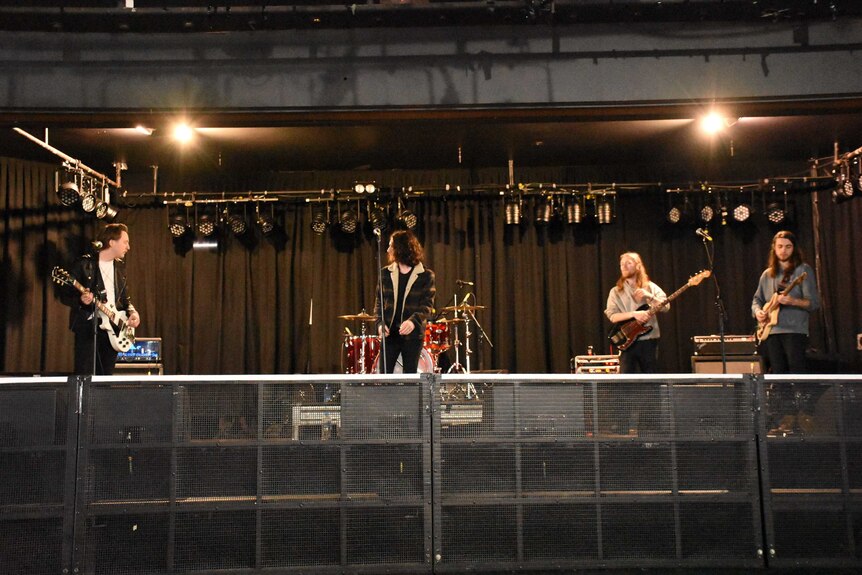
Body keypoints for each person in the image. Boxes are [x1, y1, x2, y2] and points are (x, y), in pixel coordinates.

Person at [752, 230, 820, 435]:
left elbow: (814, 303)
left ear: (794, 248)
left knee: (797, 371)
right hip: (772, 331)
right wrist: (759, 313)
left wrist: (792, 301)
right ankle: (785, 417)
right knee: (779, 374)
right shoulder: (767, 274)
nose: (783, 250)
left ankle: (804, 416)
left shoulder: (802, 270)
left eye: (788, 246)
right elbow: (757, 300)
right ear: (774, 248)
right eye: (780, 246)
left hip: (795, 330)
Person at [63, 223, 141, 375]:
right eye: (125, 242)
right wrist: (81, 300)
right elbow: (65, 294)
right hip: (88, 327)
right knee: (85, 375)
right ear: (112, 242)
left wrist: (132, 312)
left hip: (112, 329)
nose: (128, 247)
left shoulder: (120, 268)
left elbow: (125, 299)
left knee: (106, 377)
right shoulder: (85, 264)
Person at [373, 230, 436, 374]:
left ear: (401, 248)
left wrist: (413, 321)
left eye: (391, 246)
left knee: (410, 377)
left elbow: (427, 306)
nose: (388, 250)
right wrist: (380, 324)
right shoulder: (385, 273)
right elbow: (378, 303)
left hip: (412, 336)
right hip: (390, 335)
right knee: (384, 377)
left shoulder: (426, 275)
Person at [605, 251, 669, 374]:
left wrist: (650, 296)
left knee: (651, 379)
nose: (623, 266)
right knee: (627, 383)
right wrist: (634, 314)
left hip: (649, 341)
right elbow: (612, 316)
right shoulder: (615, 291)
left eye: (628, 263)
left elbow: (666, 307)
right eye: (621, 264)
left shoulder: (650, 287)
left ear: (638, 266)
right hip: (627, 341)